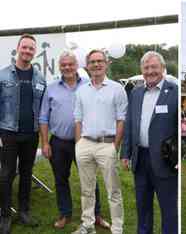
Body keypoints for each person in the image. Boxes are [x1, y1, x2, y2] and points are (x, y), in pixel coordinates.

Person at [39, 51, 110, 229]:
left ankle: (96, 214)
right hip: (59, 142)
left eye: (70, 64)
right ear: (59, 67)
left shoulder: (89, 85)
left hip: (86, 141)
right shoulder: (51, 88)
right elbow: (43, 118)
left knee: (89, 179)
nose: (67, 68)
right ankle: (65, 214)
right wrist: (46, 142)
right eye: (63, 65)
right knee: (61, 179)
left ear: (77, 65)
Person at [121, 51, 178, 234]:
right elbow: (130, 124)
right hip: (141, 159)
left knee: (168, 208)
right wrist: (125, 153)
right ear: (142, 70)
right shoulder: (136, 93)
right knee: (142, 207)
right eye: (146, 67)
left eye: (154, 67)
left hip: (165, 160)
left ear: (162, 68)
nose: (150, 71)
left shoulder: (174, 92)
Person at [73, 49, 127, 234]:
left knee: (113, 190)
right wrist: (79, 144)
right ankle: (87, 225)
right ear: (87, 66)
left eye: (99, 61)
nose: (96, 65)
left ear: (107, 63)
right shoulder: (81, 91)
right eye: (92, 62)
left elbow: (122, 120)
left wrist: (115, 146)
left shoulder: (117, 89)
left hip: (107, 144)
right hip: (85, 144)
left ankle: (117, 228)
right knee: (86, 190)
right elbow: (78, 119)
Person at [0, 34, 46, 234]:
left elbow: (43, 108)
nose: (28, 51)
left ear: (34, 52)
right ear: (18, 48)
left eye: (31, 48)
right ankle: (5, 216)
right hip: (8, 133)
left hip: (31, 134)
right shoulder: (3, 76)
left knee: (26, 174)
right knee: (7, 174)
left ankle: (24, 212)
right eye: (25, 47)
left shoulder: (40, 78)